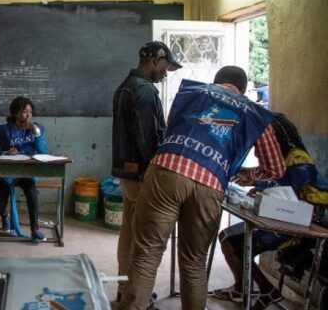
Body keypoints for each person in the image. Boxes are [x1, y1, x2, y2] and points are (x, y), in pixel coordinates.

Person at [121, 66, 286, 310]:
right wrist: (244, 174)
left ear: (216, 82)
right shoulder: (254, 113)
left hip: (167, 171)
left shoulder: (193, 92)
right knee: (194, 261)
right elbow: (276, 168)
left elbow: (171, 130)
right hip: (210, 184)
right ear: (241, 88)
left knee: (147, 253)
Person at [212, 112, 318, 310]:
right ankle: (242, 288)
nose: (260, 151)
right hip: (277, 217)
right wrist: (257, 186)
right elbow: (277, 185)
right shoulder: (282, 159)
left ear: (276, 137)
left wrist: (260, 185)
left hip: (292, 224)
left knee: (238, 245)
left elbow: (291, 191)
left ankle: (267, 290)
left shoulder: (298, 158)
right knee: (226, 238)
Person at [111, 41, 181, 301]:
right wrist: (155, 170)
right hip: (142, 174)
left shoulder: (124, 87)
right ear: (154, 60)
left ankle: (124, 290)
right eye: (165, 67)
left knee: (128, 233)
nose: (165, 73)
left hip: (126, 172)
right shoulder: (144, 91)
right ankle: (136, 297)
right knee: (146, 239)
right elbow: (147, 138)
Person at [0, 96, 48, 243]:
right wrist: (6, 153)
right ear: (15, 113)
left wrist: (36, 132)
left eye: (30, 112)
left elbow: (43, 152)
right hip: (7, 172)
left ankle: (35, 229)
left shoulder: (37, 129)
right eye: (24, 112)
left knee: (32, 192)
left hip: (27, 172)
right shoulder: (4, 131)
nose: (28, 115)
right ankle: (5, 216)